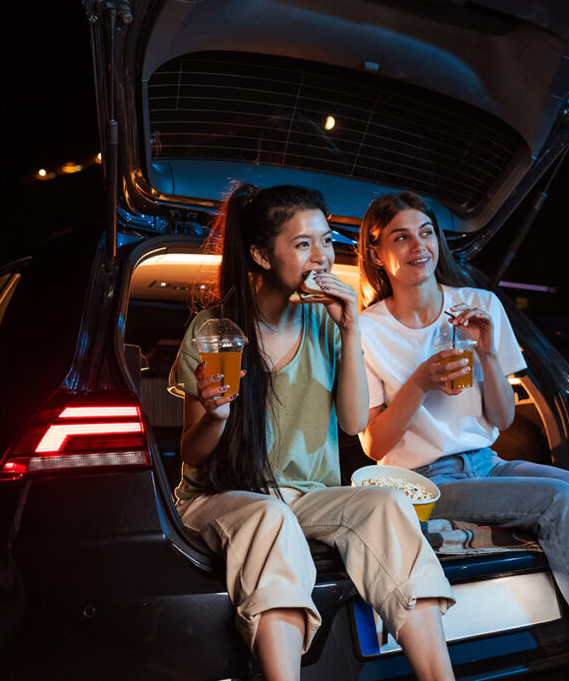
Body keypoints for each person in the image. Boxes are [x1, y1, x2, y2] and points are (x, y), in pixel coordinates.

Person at [355, 192, 569, 681]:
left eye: (426, 232)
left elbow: (503, 419)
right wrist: (420, 382)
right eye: (401, 237)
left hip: (487, 464)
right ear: (378, 253)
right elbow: (375, 445)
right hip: (419, 484)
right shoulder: (367, 328)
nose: (418, 245)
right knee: (559, 502)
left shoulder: (479, 305)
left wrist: (487, 354)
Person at [169, 184, 455, 681]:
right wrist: (216, 416)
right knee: (269, 515)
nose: (321, 256)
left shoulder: (326, 324)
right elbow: (193, 457)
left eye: (326, 241)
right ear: (261, 254)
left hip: (307, 496)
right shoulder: (213, 331)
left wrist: (350, 330)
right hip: (223, 497)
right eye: (303, 244)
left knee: (387, 505)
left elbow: (351, 423)